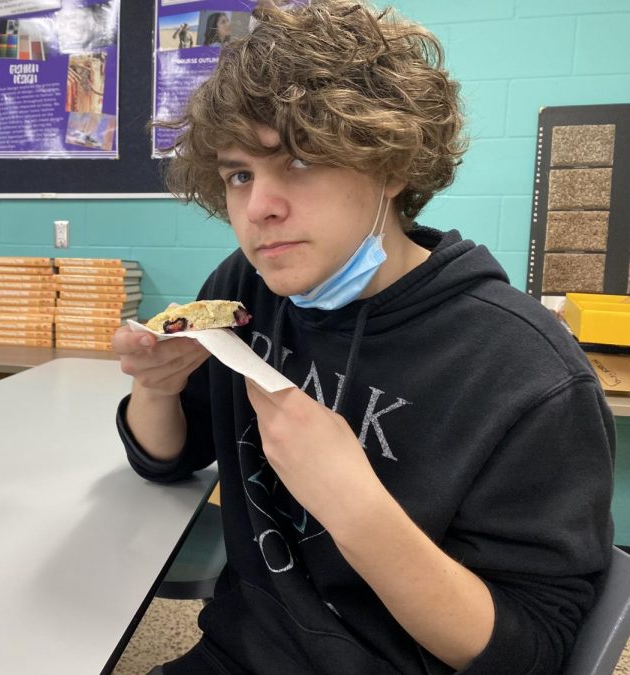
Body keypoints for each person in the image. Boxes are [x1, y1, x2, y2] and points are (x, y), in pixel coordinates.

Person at [112, 1, 615, 673]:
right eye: (239, 174)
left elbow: (529, 653)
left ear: (390, 162)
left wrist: (355, 507)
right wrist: (157, 388)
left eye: (297, 160)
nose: (259, 206)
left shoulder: (528, 374)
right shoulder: (247, 288)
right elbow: (170, 458)